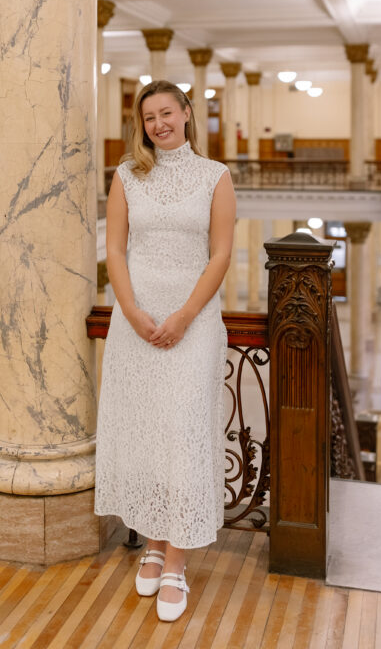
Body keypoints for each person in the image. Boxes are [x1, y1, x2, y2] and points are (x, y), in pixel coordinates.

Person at [94, 79, 236, 623]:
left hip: (192, 321)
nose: (159, 124)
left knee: (181, 433)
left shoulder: (216, 176)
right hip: (135, 321)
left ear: (186, 113)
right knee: (146, 431)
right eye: (149, 117)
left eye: (166, 113)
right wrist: (129, 310)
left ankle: (176, 559)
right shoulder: (128, 174)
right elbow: (114, 247)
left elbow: (220, 254)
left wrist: (182, 316)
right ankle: (153, 542)